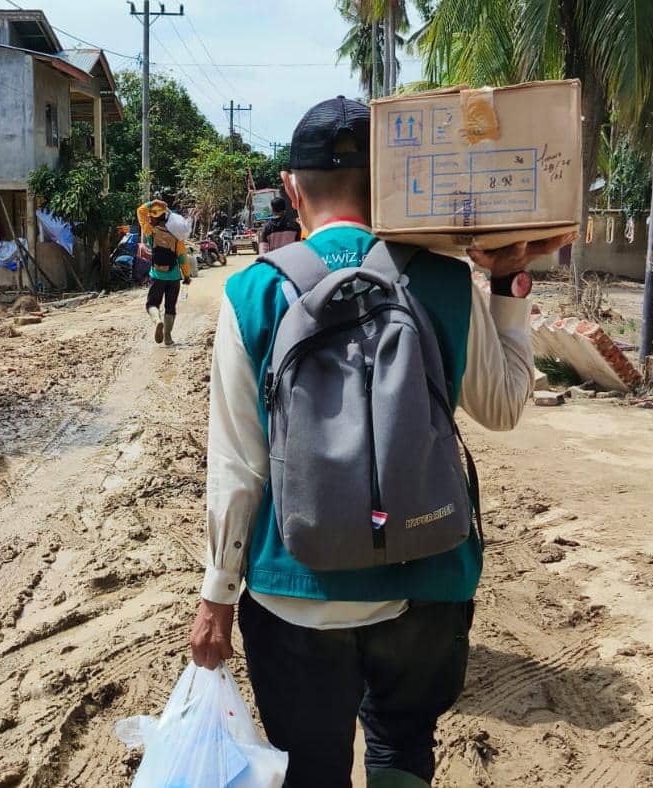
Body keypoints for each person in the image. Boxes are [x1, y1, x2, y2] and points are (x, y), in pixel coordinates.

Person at [189, 96, 574, 787]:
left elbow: (238, 467)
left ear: (292, 190)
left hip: (294, 590)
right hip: (425, 581)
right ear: (392, 179)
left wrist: (217, 594)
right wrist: (506, 285)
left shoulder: (251, 293)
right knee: (402, 750)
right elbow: (503, 407)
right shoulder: (444, 279)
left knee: (310, 771)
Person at [136, 199, 192, 345]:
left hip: (157, 276)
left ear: (154, 218)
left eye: (151, 216)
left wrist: (153, 203)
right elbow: (182, 257)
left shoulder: (150, 232)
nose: (149, 218)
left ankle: (157, 321)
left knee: (152, 304)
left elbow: (140, 211)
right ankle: (167, 337)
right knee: (170, 308)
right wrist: (186, 275)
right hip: (174, 277)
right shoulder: (176, 236)